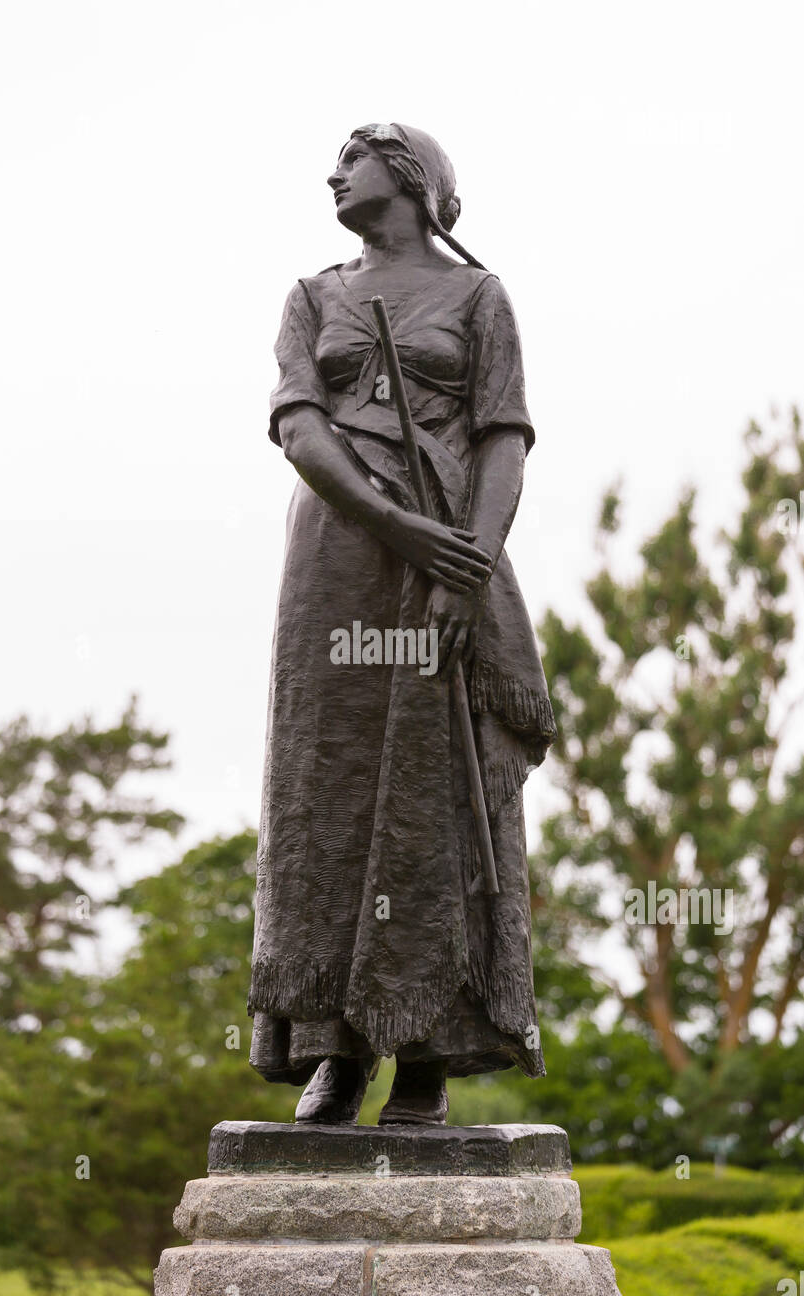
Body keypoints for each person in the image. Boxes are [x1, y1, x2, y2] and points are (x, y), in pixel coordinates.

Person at [248, 123, 556, 1126]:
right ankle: (330, 1047)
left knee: (436, 790)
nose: (332, 173)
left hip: (453, 560)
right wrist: (396, 527)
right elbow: (299, 426)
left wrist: (458, 565)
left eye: (354, 157)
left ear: (412, 177)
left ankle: (428, 1050)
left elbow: (502, 435)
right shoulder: (311, 297)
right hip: (339, 555)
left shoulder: (479, 297)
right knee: (321, 792)